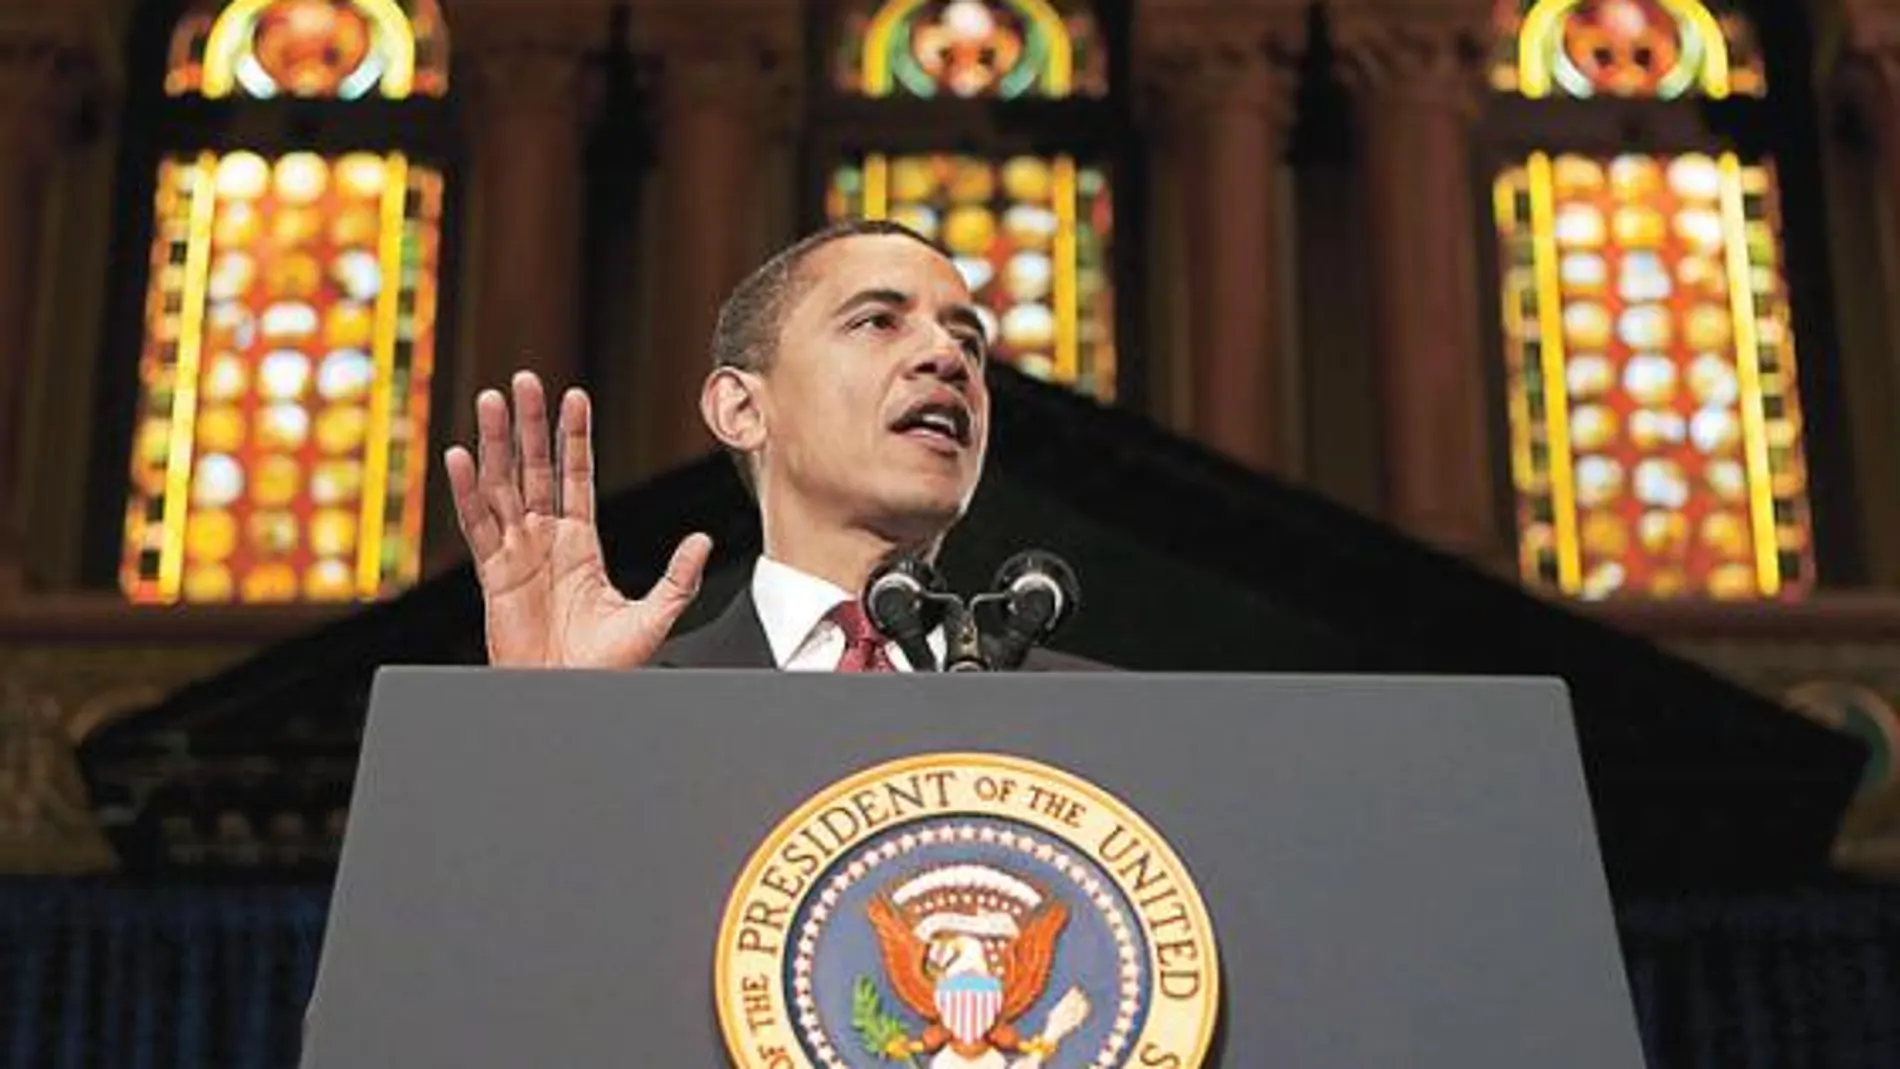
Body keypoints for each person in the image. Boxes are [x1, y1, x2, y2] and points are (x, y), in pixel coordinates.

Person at [444, 218, 1094, 672]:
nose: (946, 357)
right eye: (877, 321)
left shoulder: (1095, 716)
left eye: (969, 343)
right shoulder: (630, 701)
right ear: (743, 408)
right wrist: (539, 717)